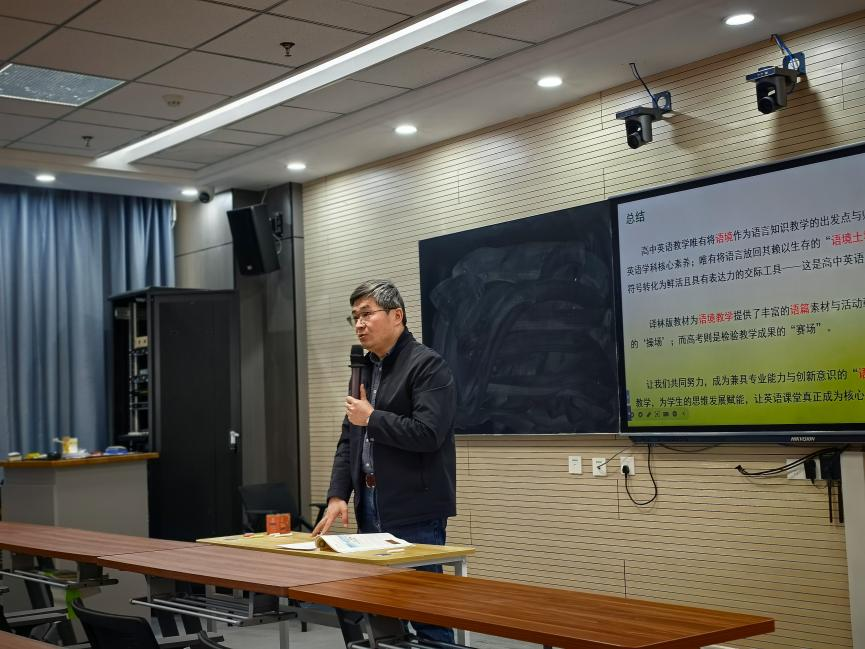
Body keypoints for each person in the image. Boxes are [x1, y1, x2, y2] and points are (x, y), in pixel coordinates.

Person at [312, 279, 457, 644]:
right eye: (354, 317)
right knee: (383, 607)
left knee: (426, 609)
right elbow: (350, 438)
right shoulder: (364, 368)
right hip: (370, 502)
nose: (359, 324)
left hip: (414, 507)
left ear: (397, 315)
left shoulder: (428, 365)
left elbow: (428, 434)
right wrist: (338, 495)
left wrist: (372, 418)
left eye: (366, 314)